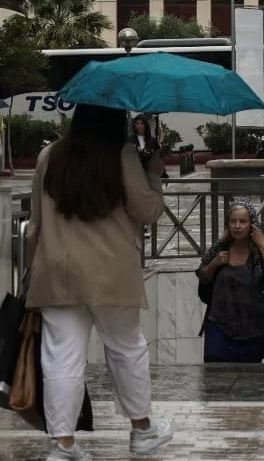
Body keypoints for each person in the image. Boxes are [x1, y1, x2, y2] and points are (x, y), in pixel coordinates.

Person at [25, 104, 173, 459]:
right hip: (111, 274)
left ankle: (63, 444)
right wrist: (153, 173)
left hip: (57, 273)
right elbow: (147, 211)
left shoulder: (50, 156)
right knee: (126, 349)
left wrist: (33, 271)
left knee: (62, 357)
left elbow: (34, 225)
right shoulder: (122, 156)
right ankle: (141, 430)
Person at [196, 197, 264, 362]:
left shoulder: (258, 253)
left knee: (250, 383)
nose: (237, 226)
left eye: (243, 221)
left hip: (253, 329)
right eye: (233, 221)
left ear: (252, 224)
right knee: (215, 376)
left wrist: (262, 243)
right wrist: (214, 264)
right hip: (219, 325)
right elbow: (202, 276)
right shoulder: (220, 247)